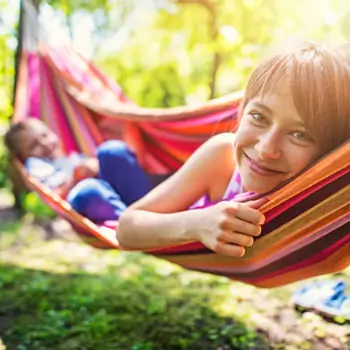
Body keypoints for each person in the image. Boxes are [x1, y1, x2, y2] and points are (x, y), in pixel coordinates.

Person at [117, 40, 350, 257]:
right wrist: (197, 225)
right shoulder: (222, 156)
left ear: (329, 154)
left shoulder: (328, 198)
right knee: (104, 172)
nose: (266, 149)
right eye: (259, 117)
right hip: (168, 205)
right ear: (241, 113)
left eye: (300, 134)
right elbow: (126, 228)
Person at [3, 118, 163, 222]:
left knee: (110, 151)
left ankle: (156, 205)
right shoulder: (36, 164)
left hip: (127, 196)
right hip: (92, 202)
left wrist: (93, 166)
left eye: (45, 135)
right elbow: (55, 194)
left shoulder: (71, 157)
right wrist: (76, 177)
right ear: (22, 157)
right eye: (34, 146)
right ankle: (139, 223)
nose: (44, 144)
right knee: (88, 190)